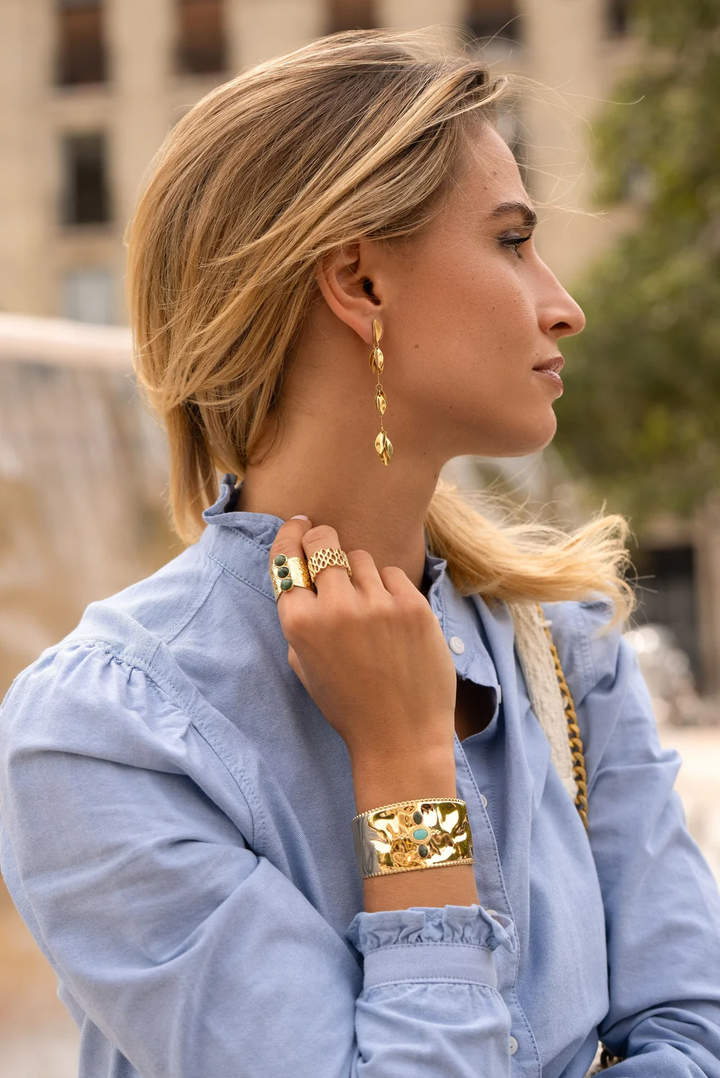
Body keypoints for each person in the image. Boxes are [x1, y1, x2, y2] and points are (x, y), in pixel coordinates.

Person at [1, 28, 719, 1078]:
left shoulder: (564, 648)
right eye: (513, 240)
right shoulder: (106, 729)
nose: (563, 302)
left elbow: (694, 1037)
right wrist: (404, 773)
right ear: (360, 285)